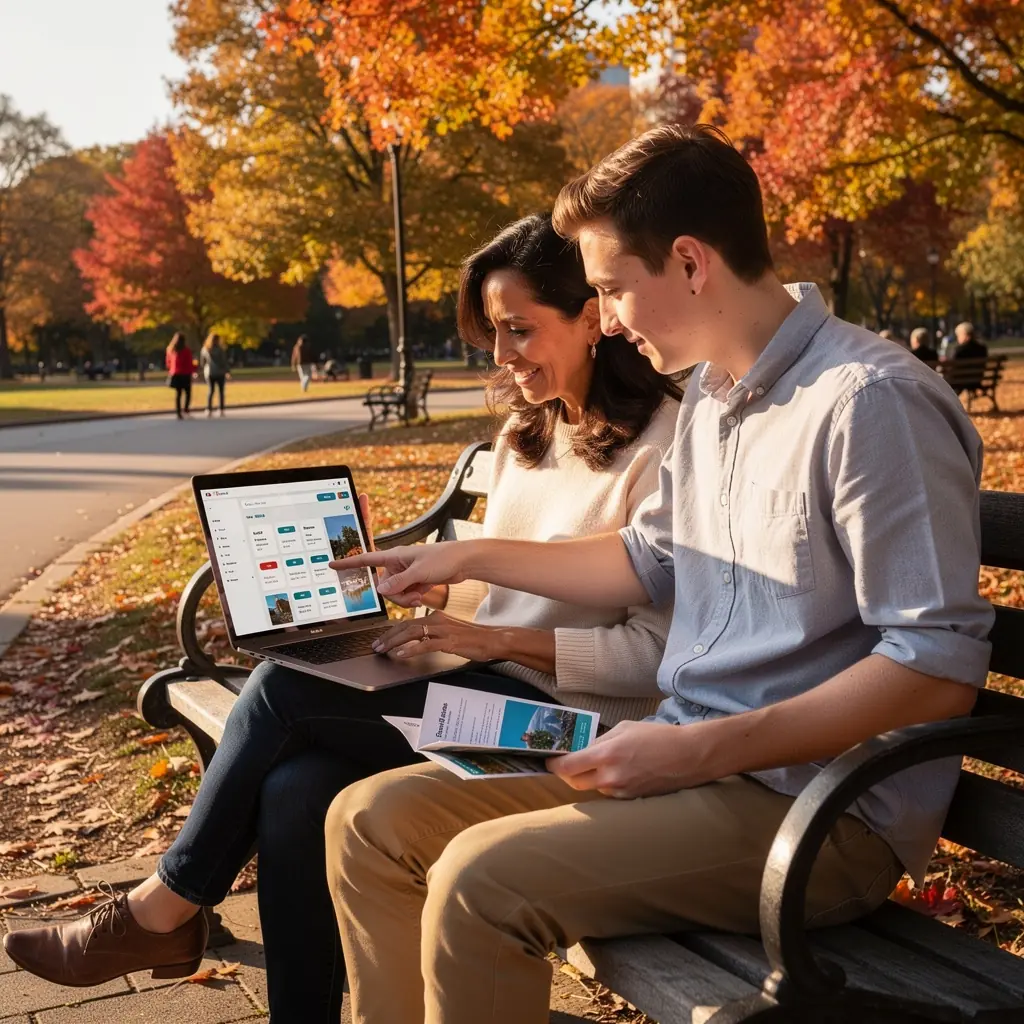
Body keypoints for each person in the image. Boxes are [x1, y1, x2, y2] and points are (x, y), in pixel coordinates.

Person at [325, 124, 993, 1024]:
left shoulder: (869, 404)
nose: (603, 318)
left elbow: (936, 668)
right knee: (369, 822)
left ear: (688, 261)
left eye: (608, 288)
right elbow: (648, 559)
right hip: (693, 761)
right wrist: (463, 554)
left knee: (481, 885)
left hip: (821, 812)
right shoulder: (715, 397)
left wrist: (692, 748)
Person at [2, 213, 681, 1023]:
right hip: (490, 686)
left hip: (579, 728)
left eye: (518, 330)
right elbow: (513, 587)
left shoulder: (661, 443)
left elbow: (653, 657)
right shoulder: (524, 435)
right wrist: (436, 595)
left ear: (592, 317)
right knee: (297, 788)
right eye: (490, 334)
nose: (501, 356)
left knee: (283, 689)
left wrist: (490, 634)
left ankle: (162, 910)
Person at [199, 332, 229, 417]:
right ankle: (221, 409)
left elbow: (202, 362)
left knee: (210, 390)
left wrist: (203, 369)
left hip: (209, 372)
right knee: (221, 391)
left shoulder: (205, 349)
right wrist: (227, 371)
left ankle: (209, 409)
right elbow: (223, 361)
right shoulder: (220, 349)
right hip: (220, 372)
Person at [165, 333, 194, 418]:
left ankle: (178, 412)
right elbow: (189, 363)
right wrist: (192, 371)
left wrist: (171, 369)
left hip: (175, 373)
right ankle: (186, 409)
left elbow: (168, 362)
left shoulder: (170, 350)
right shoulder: (186, 350)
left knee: (178, 394)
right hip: (185, 373)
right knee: (188, 393)